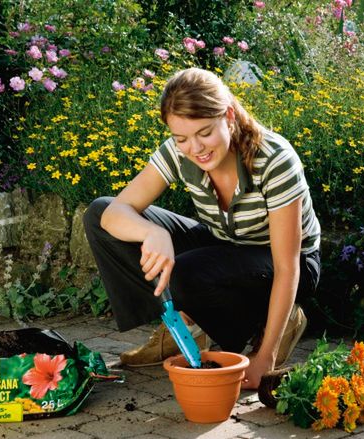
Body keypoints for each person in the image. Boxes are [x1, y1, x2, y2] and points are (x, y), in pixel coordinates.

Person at [83, 67, 321, 389]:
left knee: (184, 273)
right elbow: (114, 214)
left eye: (205, 132)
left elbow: (287, 266)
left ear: (229, 116)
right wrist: (154, 233)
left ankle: (266, 327)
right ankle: (179, 322)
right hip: (224, 243)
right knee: (99, 214)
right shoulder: (179, 152)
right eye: (181, 138)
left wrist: (265, 358)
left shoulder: (274, 159)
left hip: (287, 263)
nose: (195, 148)